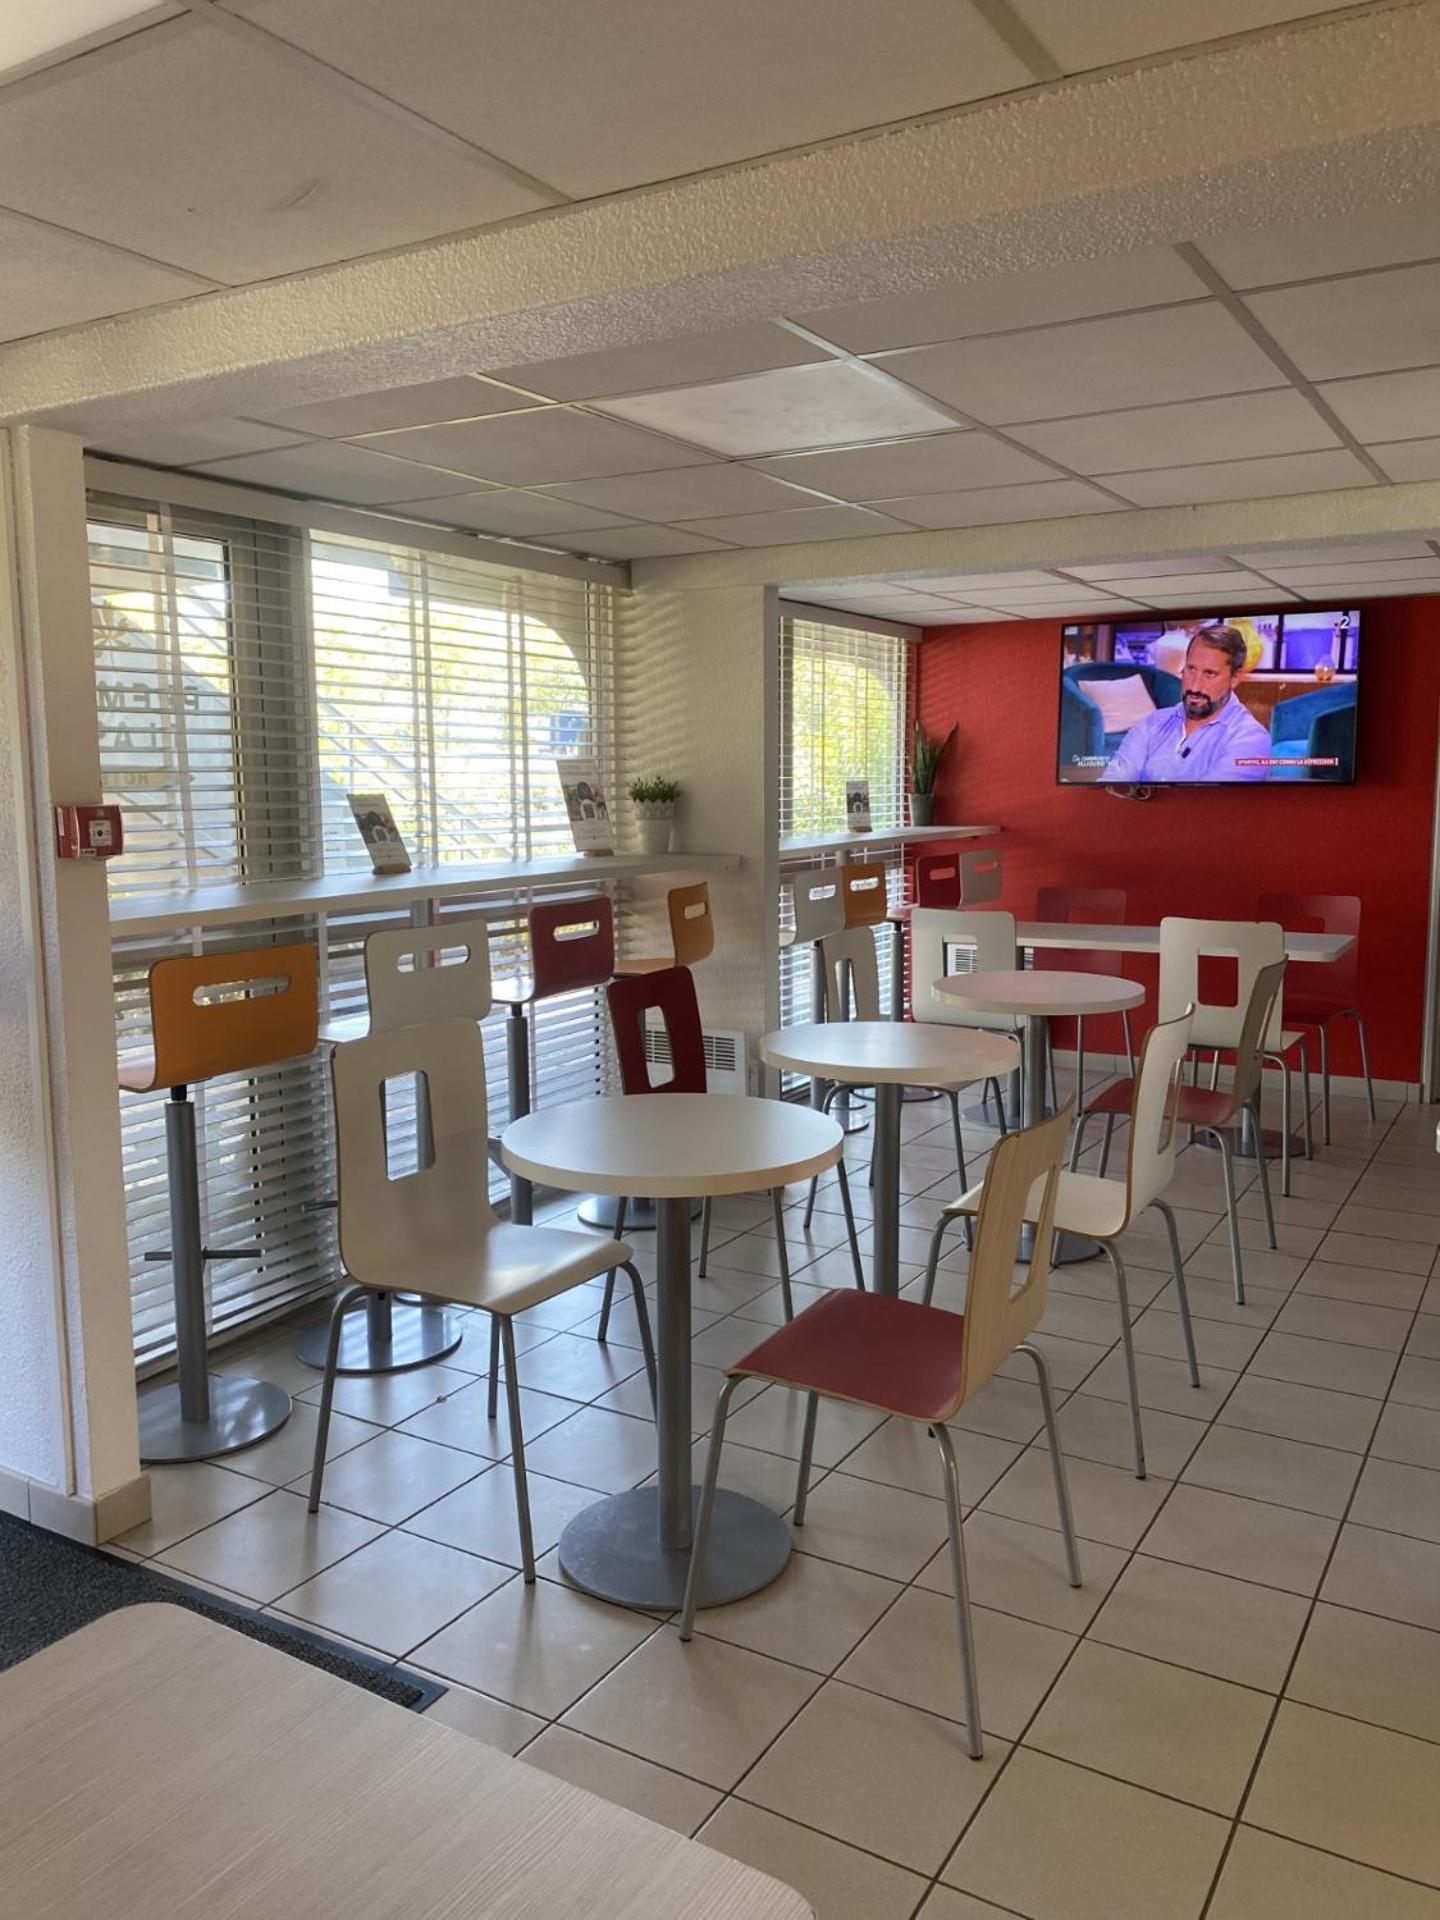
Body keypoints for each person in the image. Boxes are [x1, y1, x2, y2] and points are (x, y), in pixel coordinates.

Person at [1102, 627, 1273, 784]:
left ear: (1235, 678)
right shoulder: (1152, 723)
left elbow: (1208, 803)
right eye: (1191, 669)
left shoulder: (1251, 739)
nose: (1195, 686)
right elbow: (1113, 785)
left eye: (1210, 674)